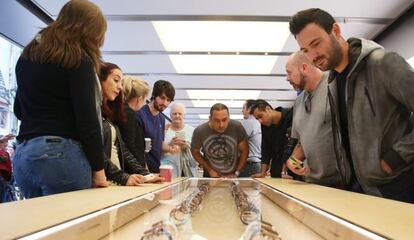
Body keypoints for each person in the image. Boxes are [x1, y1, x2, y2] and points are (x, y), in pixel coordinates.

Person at [290, 8, 414, 202]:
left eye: (316, 44)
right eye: (305, 50)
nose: (313, 56)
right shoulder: (332, 81)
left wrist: (395, 158)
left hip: (398, 186)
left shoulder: (383, 63)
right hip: (358, 189)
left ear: (336, 31)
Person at [13, 0, 108, 198]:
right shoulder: (78, 59)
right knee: (73, 227)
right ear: (89, 31)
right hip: (61, 154)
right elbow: (87, 120)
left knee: (37, 226)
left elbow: (18, 111)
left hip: (23, 154)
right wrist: (99, 171)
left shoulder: (27, 57)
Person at [285, 51, 351, 188]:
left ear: (304, 68)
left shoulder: (335, 84)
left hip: (343, 184)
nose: (287, 78)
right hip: (313, 183)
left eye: (289, 72)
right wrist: (293, 160)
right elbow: (303, 142)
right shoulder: (298, 102)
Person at [99, 62, 161, 185]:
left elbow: (123, 148)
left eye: (121, 83)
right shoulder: (125, 114)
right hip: (110, 177)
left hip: (115, 177)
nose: (120, 87)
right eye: (116, 80)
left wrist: (145, 174)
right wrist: (124, 177)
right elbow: (96, 149)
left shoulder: (109, 114)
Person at [191, 103, 249, 178]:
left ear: (229, 118)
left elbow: (245, 151)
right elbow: (195, 151)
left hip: (233, 175)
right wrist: (209, 170)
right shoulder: (200, 131)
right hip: (210, 176)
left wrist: (237, 172)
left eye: (224, 120)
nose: (221, 125)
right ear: (210, 119)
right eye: (216, 120)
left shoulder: (237, 127)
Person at [136, 80, 176, 173]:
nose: (165, 103)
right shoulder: (140, 114)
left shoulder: (161, 118)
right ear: (154, 95)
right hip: (141, 170)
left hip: (156, 169)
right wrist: (146, 172)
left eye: (168, 100)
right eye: (162, 98)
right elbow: (137, 149)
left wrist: (171, 148)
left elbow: (158, 144)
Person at [250, 100, 294, 178]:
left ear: (268, 109)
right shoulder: (265, 125)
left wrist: (285, 171)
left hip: (292, 167)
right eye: (257, 119)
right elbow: (265, 149)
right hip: (276, 169)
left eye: (260, 116)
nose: (260, 121)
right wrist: (263, 173)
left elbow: (292, 145)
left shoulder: (291, 115)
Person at [118, 75, 151, 169]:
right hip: (132, 171)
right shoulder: (129, 114)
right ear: (140, 98)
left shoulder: (122, 111)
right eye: (146, 100)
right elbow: (130, 146)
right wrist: (143, 171)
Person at [161, 103, 198, 177]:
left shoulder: (192, 130)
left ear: (184, 116)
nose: (177, 116)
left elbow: (197, 151)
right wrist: (169, 145)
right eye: (174, 114)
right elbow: (157, 149)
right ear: (170, 116)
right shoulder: (164, 130)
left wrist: (186, 145)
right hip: (169, 170)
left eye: (180, 113)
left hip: (188, 170)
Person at [239, 100, 262, 177]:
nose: (242, 110)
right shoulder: (258, 122)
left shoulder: (249, 122)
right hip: (257, 164)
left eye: (244, 108)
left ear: (250, 109)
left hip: (248, 165)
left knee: (242, 188)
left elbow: (237, 141)